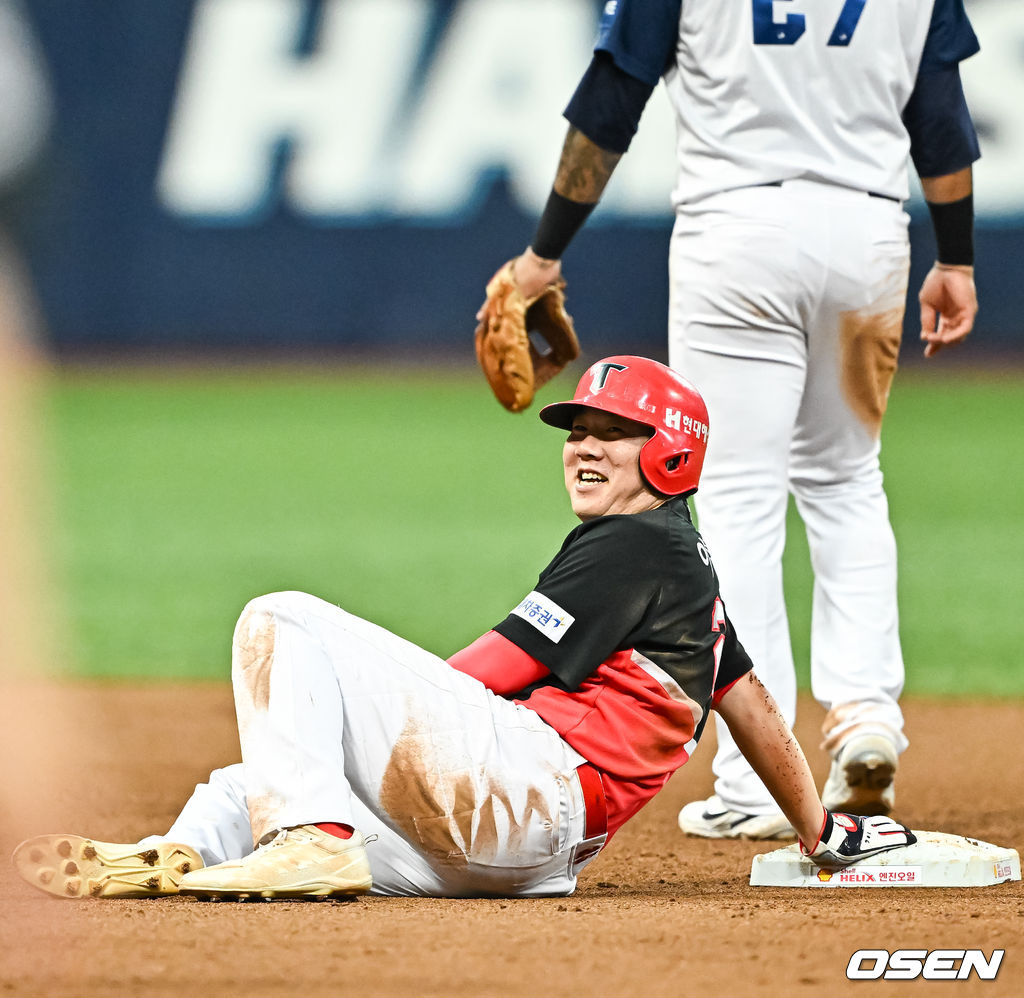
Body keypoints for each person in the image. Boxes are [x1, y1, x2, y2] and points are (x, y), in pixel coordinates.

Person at [481, 0, 981, 840]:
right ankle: (865, 720)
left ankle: (758, 783)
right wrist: (956, 255)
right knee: (847, 480)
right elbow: (939, 121)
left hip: (734, 239)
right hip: (862, 235)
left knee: (740, 493)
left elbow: (611, 99)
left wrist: (546, 247)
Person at [13, 357, 913, 901]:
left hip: (528, 791)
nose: (584, 446)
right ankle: (175, 854)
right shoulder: (686, 565)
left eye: (615, 432)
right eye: (577, 431)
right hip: (523, 858)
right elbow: (748, 700)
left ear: (671, 451)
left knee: (280, 619)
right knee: (254, 780)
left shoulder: (633, 547)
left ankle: (314, 845)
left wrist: (375, 712)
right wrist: (820, 829)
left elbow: (487, 676)